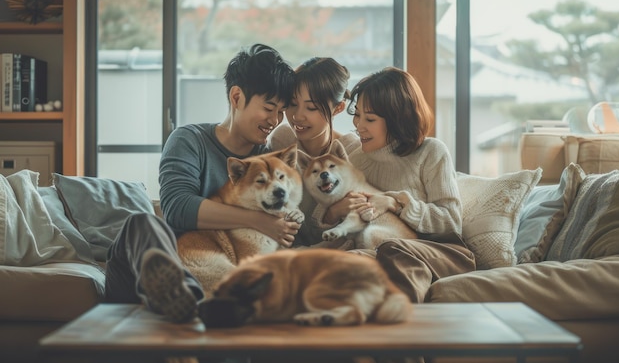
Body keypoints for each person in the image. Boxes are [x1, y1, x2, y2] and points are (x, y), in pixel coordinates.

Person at [104, 43, 301, 322]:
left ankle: (192, 302)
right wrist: (257, 220)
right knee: (140, 223)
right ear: (236, 97)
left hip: (214, 277)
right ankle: (181, 294)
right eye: (269, 107)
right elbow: (178, 208)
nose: (275, 120)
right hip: (150, 271)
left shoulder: (270, 165)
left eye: (281, 111)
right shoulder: (189, 140)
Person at [321, 66, 476, 303]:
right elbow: (329, 218)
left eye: (370, 119)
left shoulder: (431, 152)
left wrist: (396, 204)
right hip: (373, 252)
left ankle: (404, 326)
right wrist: (334, 211)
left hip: (433, 253)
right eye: (357, 114)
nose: (358, 125)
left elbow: (450, 222)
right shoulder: (357, 159)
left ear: (397, 119)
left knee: (390, 249)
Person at [267, 57, 360, 246]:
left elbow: (349, 234)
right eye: (292, 104)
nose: (297, 116)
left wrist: (332, 216)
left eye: (311, 107)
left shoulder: (353, 151)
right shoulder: (282, 141)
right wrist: (331, 212)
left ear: (338, 108)